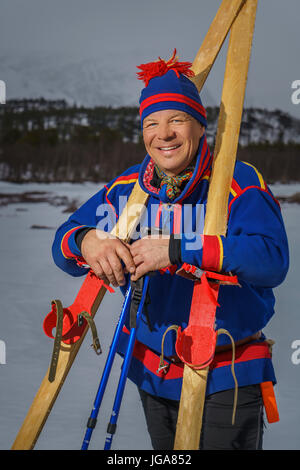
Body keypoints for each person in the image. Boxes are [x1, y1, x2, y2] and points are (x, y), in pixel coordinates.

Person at [52, 51, 289, 450]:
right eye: (152, 123)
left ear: (199, 126)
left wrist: (179, 249)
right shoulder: (129, 187)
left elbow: (270, 260)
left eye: (177, 120)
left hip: (227, 371)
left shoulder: (238, 183)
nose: (164, 134)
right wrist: (88, 241)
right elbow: (65, 239)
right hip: (151, 369)